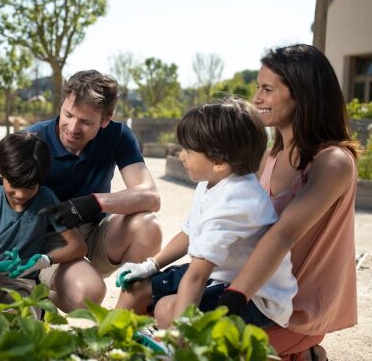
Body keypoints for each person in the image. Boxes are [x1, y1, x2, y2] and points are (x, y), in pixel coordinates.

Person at [217, 44, 359, 361]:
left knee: (213, 347)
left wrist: (233, 296)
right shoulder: (270, 157)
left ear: (302, 95)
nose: (256, 99)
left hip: (296, 309)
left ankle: (301, 351)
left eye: (268, 89)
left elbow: (284, 234)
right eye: (258, 88)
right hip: (259, 293)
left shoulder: (332, 161)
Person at [115, 97, 297, 330]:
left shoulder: (237, 201)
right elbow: (190, 231)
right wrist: (151, 265)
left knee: (166, 309)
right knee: (135, 286)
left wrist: (177, 335)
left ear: (219, 160)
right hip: (218, 275)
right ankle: (106, 346)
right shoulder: (211, 180)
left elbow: (197, 277)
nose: (181, 156)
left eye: (188, 150)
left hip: (256, 298)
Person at [25, 70, 161, 311]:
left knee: (149, 226)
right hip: (50, 242)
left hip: (95, 230)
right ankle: (32, 286)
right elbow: (0, 203)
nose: (72, 128)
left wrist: (93, 202)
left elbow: (151, 196)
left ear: (106, 119)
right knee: (88, 296)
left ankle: (123, 320)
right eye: (68, 114)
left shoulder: (117, 135)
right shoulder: (32, 139)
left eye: (86, 122)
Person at [0, 132, 87, 305]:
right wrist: (1, 266)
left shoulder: (46, 199)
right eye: (14, 186)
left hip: (23, 283)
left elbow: (79, 246)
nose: (21, 194)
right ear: (0, 172)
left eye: (30, 187)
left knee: (16, 318)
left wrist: (45, 260)